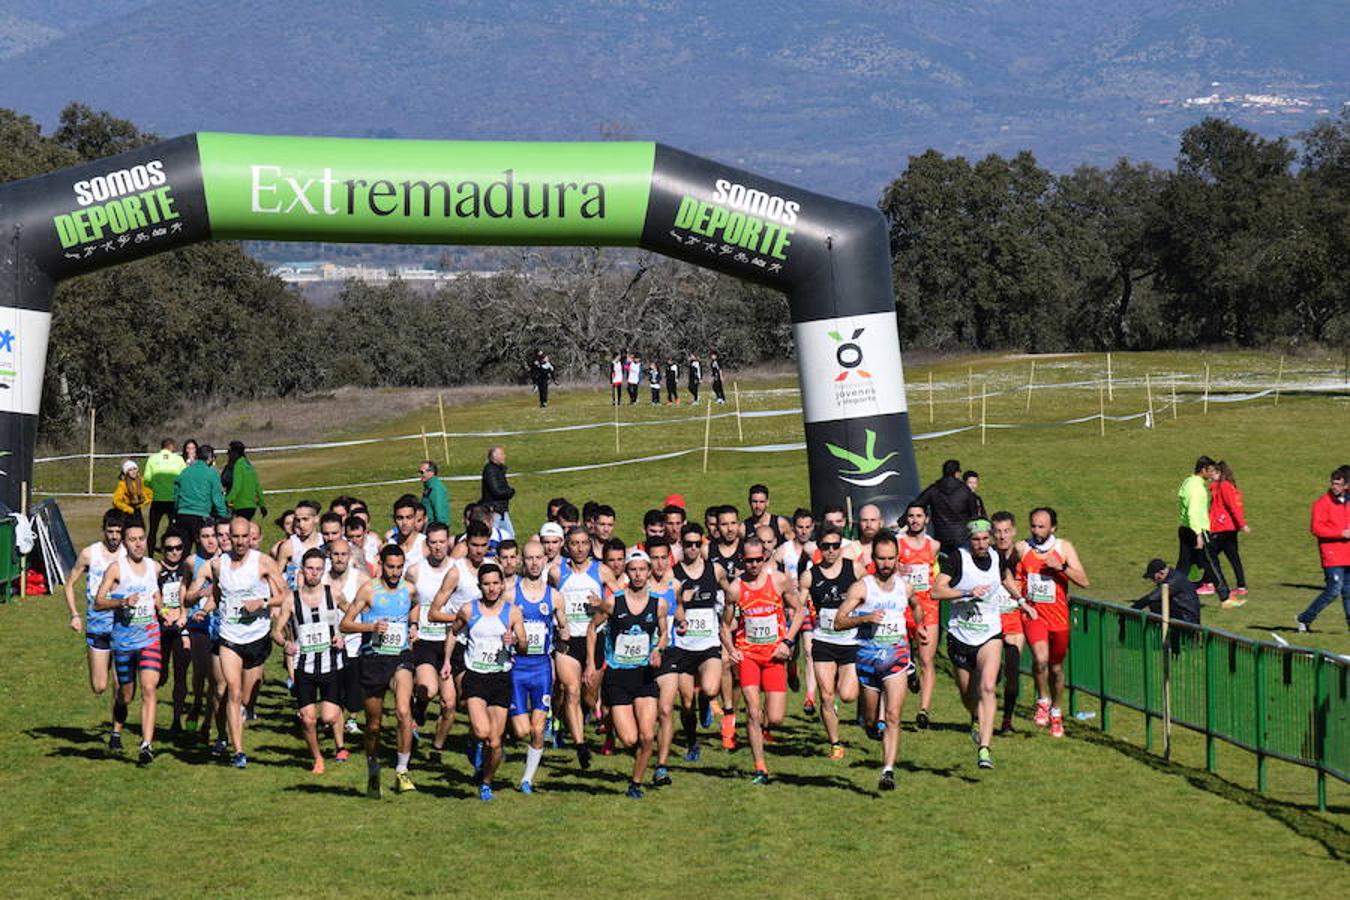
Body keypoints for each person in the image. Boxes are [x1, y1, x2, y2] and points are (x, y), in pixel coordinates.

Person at [188, 515, 287, 767]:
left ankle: (233, 728)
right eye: (236, 537)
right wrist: (205, 608)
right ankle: (238, 751)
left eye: (245, 537)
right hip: (229, 636)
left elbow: (285, 594)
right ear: (228, 538)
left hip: (256, 635)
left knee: (245, 698)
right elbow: (218, 594)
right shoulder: (218, 564)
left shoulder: (263, 562)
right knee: (232, 690)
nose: (241, 542)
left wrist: (262, 603)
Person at [932, 520, 1031, 770]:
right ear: (969, 539)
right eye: (976, 539)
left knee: (987, 687)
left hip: (989, 634)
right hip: (961, 635)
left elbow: (1006, 579)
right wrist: (966, 593)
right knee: (968, 694)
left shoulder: (997, 558)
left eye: (986, 539)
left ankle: (985, 749)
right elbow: (937, 591)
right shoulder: (957, 558)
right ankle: (975, 715)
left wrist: (1022, 602)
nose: (982, 544)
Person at [833, 531, 924, 791]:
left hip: (896, 659)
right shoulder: (862, 587)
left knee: (894, 716)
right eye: (881, 559)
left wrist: (920, 627)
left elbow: (917, 605)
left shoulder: (904, 587)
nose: (886, 564)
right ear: (873, 558)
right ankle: (871, 726)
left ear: (897, 558)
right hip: (867, 661)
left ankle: (888, 771)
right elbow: (839, 622)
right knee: (872, 723)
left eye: (891, 559)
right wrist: (864, 618)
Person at [720, 536, 803, 785]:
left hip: (774, 656)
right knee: (754, 712)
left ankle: (789, 676)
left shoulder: (778, 580)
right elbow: (724, 625)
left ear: (764, 557)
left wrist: (787, 642)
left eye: (758, 559)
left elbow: (800, 611)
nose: (754, 564)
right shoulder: (735, 588)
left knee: (775, 717)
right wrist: (731, 648)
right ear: (742, 560)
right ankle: (760, 767)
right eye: (749, 560)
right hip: (749, 656)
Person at [442, 561, 527, 801]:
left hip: (500, 678)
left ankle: (486, 781)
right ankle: (473, 740)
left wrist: (515, 641)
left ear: (502, 585)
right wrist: (447, 660)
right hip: (476, 677)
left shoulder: (512, 612)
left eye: (495, 584)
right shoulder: (469, 610)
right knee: (482, 731)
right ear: (479, 586)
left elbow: (524, 644)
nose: (491, 588)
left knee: (495, 741)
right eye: (486, 584)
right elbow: (453, 632)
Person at [586, 549, 668, 798]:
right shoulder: (613, 602)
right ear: (627, 572)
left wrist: (658, 649)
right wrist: (591, 663)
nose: (638, 575)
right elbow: (592, 628)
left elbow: (664, 633)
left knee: (647, 735)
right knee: (630, 739)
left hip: (644, 676)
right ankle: (635, 754)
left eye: (642, 569)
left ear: (649, 571)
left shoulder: (659, 603)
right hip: (618, 678)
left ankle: (636, 783)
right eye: (633, 570)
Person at [342, 544, 419, 798]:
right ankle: (373, 770)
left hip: (400, 656)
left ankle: (402, 770)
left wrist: (414, 625)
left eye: (399, 567)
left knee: (403, 710)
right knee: (373, 725)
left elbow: (416, 604)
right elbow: (345, 624)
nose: (395, 572)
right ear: (382, 565)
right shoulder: (369, 590)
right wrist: (371, 627)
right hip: (373, 659)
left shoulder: (408, 589)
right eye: (390, 567)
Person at [272, 548, 347, 773]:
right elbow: (276, 632)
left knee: (329, 715)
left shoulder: (333, 593)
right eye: (310, 568)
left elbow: (353, 613)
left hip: (331, 663)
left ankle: (339, 743)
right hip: (304, 665)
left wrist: (342, 635)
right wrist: (286, 644)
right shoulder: (290, 600)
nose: (314, 573)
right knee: (307, 718)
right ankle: (317, 758)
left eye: (318, 569)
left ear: (323, 571)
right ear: (302, 570)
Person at [1015, 507, 1089, 738]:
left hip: (1058, 618)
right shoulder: (1022, 548)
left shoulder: (1063, 548)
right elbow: (1011, 576)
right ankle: (1043, 699)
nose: (1037, 531)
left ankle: (1056, 712)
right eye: (1034, 526)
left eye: (1042, 526)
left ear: (1052, 528)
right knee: (1040, 658)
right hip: (1034, 614)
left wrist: (1062, 567)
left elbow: (1084, 581)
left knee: (1056, 669)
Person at [93, 520, 161, 764]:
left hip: (150, 638)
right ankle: (116, 728)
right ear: (124, 543)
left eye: (141, 539)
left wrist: (164, 610)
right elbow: (98, 602)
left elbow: (157, 596)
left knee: (149, 689)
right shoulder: (116, 569)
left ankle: (146, 745)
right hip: (123, 642)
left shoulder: (154, 567)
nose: (138, 544)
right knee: (126, 695)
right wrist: (122, 602)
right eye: (132, 540)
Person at [550, 525, 616, 768]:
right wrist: (558, 622)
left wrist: (602, 604)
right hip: (567, 641)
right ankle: (580, 745)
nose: (579, 548)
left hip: (594, 639)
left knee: (590, 696)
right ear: (567, 546)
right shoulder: (557, 573)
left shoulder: (602, 571)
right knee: (571, 690)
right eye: (574, 543)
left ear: (590, 545)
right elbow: (549, 599)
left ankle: (576, 718)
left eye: (584, 543)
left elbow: (620, 603)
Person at [799, 524, 863, 759]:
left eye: (835, 546)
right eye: (826, 546)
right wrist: (787, 637)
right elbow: (798, 609)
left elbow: (871, 592)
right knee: (826, 695)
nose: (831, 551)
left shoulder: (854, 569)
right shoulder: (810, 575)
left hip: (850, 641)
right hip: (823, 640)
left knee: (847, 695)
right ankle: (836, 744)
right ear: (819, 548)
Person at [510, 539, 562, 793]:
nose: (534, 563)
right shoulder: (511, 593)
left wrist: (563, 631)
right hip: (516, 668)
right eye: (529, 558)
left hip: (541, 667)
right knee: (521, 731)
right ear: (522, 560)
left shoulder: (554, 596)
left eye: (538, 558)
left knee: (537, 728)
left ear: (545, 560)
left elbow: (563, 626)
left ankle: (527, 779)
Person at [670, 523, 725, 763]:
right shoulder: (673, 574)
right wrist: (681, 599)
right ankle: (692, 743)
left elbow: (731, 593)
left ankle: (707, 701)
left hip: (709, 644)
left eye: (697, 544)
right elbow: (664, 604)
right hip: (682, 647)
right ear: (681, 545)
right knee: (685, 703)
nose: (693, 548)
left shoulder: (714, 569)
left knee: (711, 689)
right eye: (688, 544)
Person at [405, 522, 457, 762]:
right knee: (429, 688)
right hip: (424, 640)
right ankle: (420, 706)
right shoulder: (416, 570)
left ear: (449, 541)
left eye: (442, 541)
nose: (438, 547)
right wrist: (412, 625)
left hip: (449, 640)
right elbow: (409, 602)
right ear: (427, 544)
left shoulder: (457, 571)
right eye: (433, 542)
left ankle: (437, 747)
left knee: (449, 703)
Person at [63, 510, 123, 712]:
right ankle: (101, 662)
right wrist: (74, 615)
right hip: (98, 624)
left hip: (123, 625)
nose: (114, 536)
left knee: (120, 685)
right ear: (103, 530)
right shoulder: (90, 554)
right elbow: (70, 583)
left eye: (117, 531)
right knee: (99, 686)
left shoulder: (129, 554)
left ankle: (116, 735)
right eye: (110, 531)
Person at [897, 503, 941, 727]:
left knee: (926, 658)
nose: (914, 520)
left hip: (928, 608)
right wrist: (897, 569)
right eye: (911, 516)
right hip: (902, 608)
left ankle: (923, 710)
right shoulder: (898, 543)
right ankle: (910, 673)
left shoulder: (934, 546)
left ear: (926, 519)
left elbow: (937, 574)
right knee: (902, 659)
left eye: (919, 516)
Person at [1296, 465, 1350, 633]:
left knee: (1349, 592)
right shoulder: (1321, 504)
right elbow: (1316, 529)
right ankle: (1305, 618)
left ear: (1346, 485)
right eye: (1333, 483)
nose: (1335, 487)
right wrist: (1341, 533)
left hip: (1348, 554)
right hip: (1332, 555)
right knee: (1333, 590)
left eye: (1339, 484)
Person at [990, 511, 1024, 735]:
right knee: (989, 675)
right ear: (992, 533)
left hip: (1013, 620)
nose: (1002, 536)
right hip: (990, 620)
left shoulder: (1023, 556)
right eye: (998, 532)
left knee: (1012, 673)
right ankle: (980, 716)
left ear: (1013, 532)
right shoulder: (987, 556)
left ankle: (1007, 719)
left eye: (1006, 531)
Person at [1176, 455, 1228, 602]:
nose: (1212, 474)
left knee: (1184, 566)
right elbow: (1193, 511)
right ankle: (1225, 596)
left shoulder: (1188, 481)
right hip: (1197, 530)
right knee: (1212, 563)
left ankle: (1167, 592)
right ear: (1203, 470)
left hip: (1184, 528)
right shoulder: (1197, 488)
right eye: (1210, 471)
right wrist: (1198, 534)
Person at [156, 533, 193, 735]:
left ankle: (176, 720)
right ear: (163, 549)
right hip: (161, 629)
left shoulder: (187, 569)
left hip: (181, 629)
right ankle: (150, 712)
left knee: (181, 675)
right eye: (169, 548)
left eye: (178, 547)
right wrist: (164, 613)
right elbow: (152, 595)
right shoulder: (156, 570)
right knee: (159, 677)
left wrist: (182, 614)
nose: (174, 552)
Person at [913, 459, 982, 554]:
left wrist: (901, 522)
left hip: (941, 537)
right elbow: (974, 515)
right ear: (957, 473)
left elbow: (917, 504)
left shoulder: (934, 489)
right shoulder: (965, 490)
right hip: (962, 537)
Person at [1208, 460, 1250, 606]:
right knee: (1233, 556)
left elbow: (1233, 507)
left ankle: (1209, 582)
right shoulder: (1220, 486)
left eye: (1213, 473)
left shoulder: (1224, 487)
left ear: (1219, 473)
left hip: (1223, 527)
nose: (1210, 476)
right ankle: (1241, 586)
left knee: (1209, 555)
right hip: (1226, 527)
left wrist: (1242, 524)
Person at [173, 445, 228, 544]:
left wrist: (177, 509)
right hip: (201, 515)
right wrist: (223, 515)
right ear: (210, 457)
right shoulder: (211, 473)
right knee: (203, 549)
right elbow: (217, 497)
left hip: (183, 515)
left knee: (184, 548)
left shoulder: (185, 472)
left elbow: (177, 493)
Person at [144, 438, 186, 553]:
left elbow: (147, 479)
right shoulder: (178, 459)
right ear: (171, 446)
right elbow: (184, 478)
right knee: (175, 528)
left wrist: (156, 487)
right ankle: (173, 549)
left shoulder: (152, 459)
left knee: (153, 529)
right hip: (173, 499)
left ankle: (151, 554)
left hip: (157, 499)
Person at [1134, 559, 1201, 625]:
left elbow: (1152, 598)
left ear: (1161, 573)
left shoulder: (1173, 581)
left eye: (1153, 578)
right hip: (1184, 615)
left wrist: (1133, 609)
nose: (1153, 581)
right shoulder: (1174, 576)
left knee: (1155, 602)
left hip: (1187, 618)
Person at [223, 441, 265, 520]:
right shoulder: (249, 465)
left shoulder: (238, 466)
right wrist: (262, 504)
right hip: (251, 506)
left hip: (241, 505)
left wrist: (226, 500)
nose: (228, 454)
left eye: (229, 452)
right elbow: (257, 486)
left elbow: (236, 487)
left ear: (234, 453)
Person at [480, 446, 515, 539]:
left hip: (501, 510)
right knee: (493, 536)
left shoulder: (498, 470)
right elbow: (496, 491)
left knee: (510, 536)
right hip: (494, 510)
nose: (505, 456)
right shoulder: (490, 470)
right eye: (502, 454)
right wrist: (510, 492)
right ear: (495, 456)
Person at [112, 460, 152, 524]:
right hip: (127, 511)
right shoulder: (122, 484)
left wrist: (143, 503)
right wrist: (128, 509)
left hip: (137, 510)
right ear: (126, 472)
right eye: (130, 470)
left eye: (135, 469)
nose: (133, 471)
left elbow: (149, 494)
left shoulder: (141, 481)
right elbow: (116, 501)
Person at [419, 459, 451, 528]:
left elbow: (439, 510)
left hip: (434, 528)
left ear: (431, 472)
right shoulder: (429, 486)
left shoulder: (436, 488)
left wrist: (439, 529)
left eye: (422, 472)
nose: (420, 475)